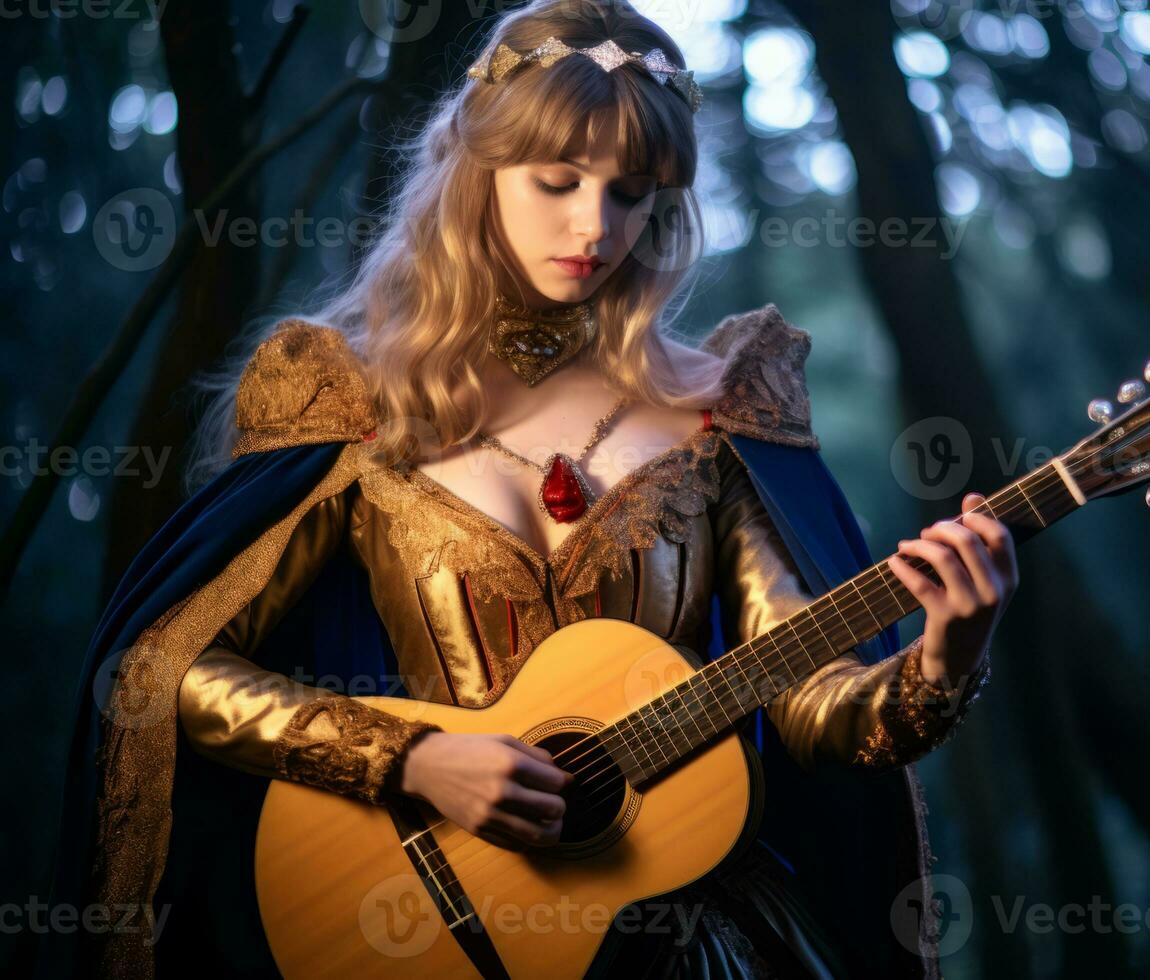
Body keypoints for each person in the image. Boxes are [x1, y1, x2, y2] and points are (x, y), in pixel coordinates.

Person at [47, 2, 1017, 977]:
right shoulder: (348, 397)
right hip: (418, 926)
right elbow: (169, 668)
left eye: (631, 192)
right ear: (479, 174)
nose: (594, 225)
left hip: (686, 939)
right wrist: (411, 756)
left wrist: (947, 652)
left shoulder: (717, 407)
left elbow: (813, 704)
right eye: (557, 181)